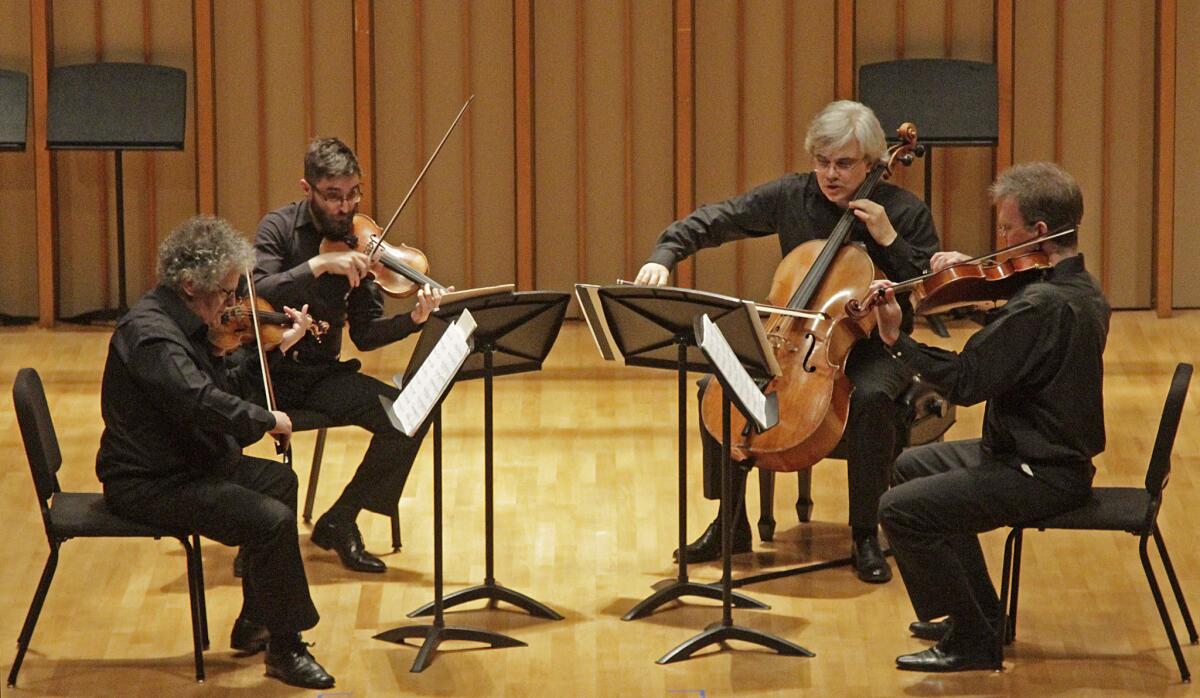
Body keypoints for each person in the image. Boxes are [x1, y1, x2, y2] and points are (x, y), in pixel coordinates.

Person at [634, 100, 939, 583]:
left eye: (843, 164)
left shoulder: (903, 211)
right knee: (720, 389)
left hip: (877, 345)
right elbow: (719, 218)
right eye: (822, 161)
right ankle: (730, 524)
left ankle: (864, 533)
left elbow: (926, 286)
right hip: (796, 341)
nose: (830, 175)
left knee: (874, 400)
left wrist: (887, 238)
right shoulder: (793, 196)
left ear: (872, 163)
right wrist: (667, 252)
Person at [874, 161, 1110, 672]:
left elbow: (965, 380)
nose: (998, 239)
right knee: (910, 467)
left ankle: (973, 644)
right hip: (1040, 452)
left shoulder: (1040, 308)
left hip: (1036, 471)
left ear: (1040, 232)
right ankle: (982, 615)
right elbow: (1018, 324)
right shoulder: (1081, 288)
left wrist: (897, 340)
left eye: (1006, 229)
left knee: (900, 509)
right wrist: (972, 285)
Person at [96, 216, 334, 689]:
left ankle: (256, 619)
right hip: (149, 481)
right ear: (189, 285)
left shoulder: (189, 324)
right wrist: (268, 419)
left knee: (279, 483)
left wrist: (274, 350)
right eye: (224, 293)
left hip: (187, 462)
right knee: (270, 519)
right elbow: (201, 402)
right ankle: (286, 649)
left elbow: (221, 384)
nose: (231, 303)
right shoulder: (152, 337)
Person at [253, 137, 447, 573]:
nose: (345, 207)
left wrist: (413, 321)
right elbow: (257, 289)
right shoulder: (278, 229)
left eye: (353, 194)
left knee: (408, 416)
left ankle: (341, 519)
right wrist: (319, 267)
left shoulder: (360, 243)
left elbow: (365, 335)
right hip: (264, 375)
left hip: (322, 377)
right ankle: (255, 537)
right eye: (334, 196)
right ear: (309, 190)